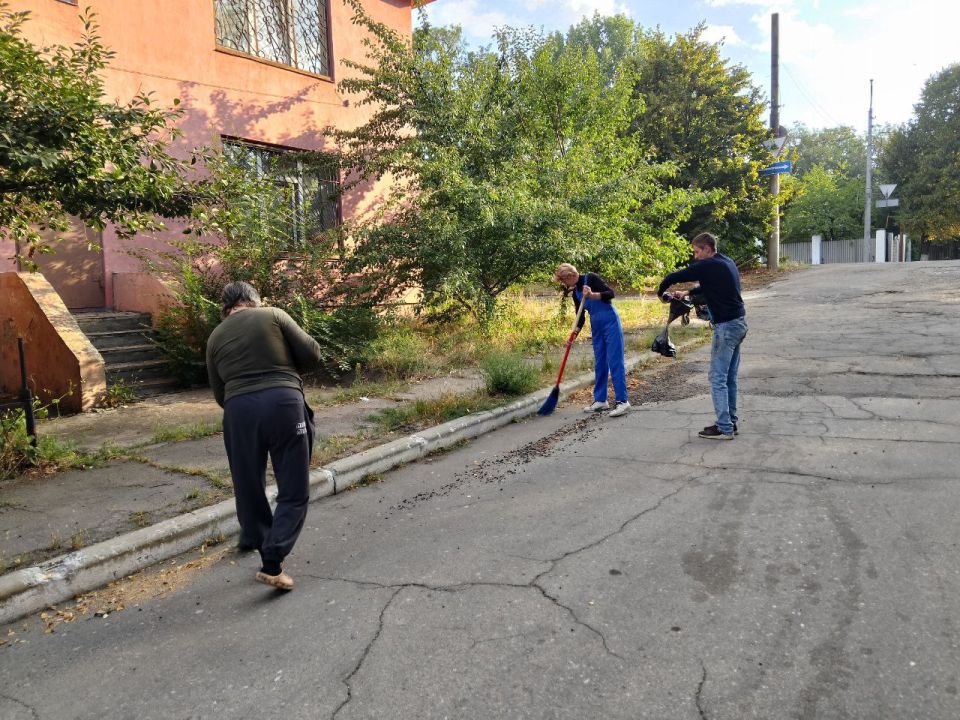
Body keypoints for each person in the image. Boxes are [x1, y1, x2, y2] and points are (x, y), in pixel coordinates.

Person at [206, 281, 323, 590]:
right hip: (283, 404)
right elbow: (312, 352)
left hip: (238, 412)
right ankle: (272, 561)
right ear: (253, 300)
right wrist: (286, 371)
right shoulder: (273, 314)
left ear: (226, 307)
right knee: (294, 488)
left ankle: (253, 536)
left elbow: (219, 393)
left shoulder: (215, 337)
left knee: (247, 481)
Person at [656, 232, 747, 440]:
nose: (696, 256)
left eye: (697, 251)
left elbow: (673, 277)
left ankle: (724, 427)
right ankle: (730, 421)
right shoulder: (726, 262)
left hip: (726, 327)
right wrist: (687, 293)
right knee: (728, 378)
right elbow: (708, 287)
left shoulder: (709, 265)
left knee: (717, 378)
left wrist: (661, 292)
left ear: (707, 248)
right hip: (739, 323)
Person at [554, 263, 631, 417]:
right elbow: (580, 317)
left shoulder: (591, 278)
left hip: (610, 322)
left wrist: (593, 295)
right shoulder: (576, 291)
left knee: (615, 361)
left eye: (563, 281)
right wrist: (573, 336)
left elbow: (611, 294)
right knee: (600, 362)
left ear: (570, 276)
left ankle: (623, 401)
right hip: (596, 326)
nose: (564, 284)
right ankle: (601, 400)